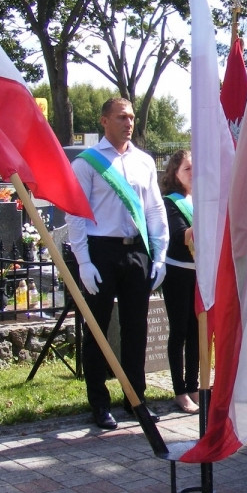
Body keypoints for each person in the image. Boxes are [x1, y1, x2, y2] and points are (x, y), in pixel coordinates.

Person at [68, 97, 168, 430]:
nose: (128, 123)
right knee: (97, 327)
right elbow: (77, 215)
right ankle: (99, 402)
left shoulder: (144, 162)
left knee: (136, 328)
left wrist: (161, 253)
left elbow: (154, 209)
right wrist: (83, 260)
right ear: (104, 121)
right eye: (121, 117)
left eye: (131, 118)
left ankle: (135, 398)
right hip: (101, 251)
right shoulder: (87, 163)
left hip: (137, 250)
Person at [160, 149, 199, 414]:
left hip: (199, 272)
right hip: (177, 273)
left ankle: (193, 385)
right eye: (187, 169)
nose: (193, 173)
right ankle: (179, 391)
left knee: (198, 331)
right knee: (180, 332)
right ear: (175, 173)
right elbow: (178, 236)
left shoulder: (201, 200)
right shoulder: (170, 202)